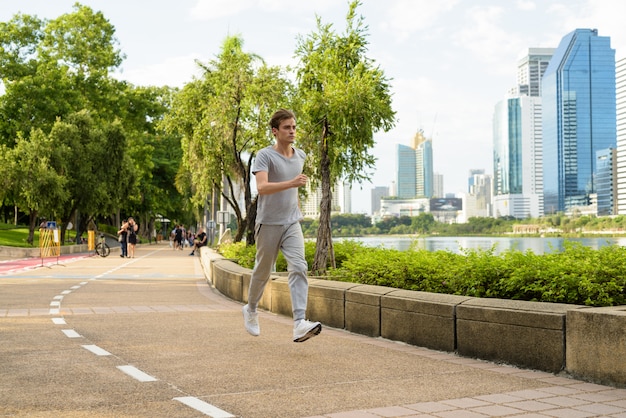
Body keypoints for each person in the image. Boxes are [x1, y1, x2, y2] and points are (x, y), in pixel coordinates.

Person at [242, 109, 322, 343]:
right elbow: (263, 188)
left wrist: (296, 207)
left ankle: (299, 323)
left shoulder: (301, 156)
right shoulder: (265, 156)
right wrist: (292, 183)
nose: (292, 131)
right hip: (268, 222)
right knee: (263, 271)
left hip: (291, 222)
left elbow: (293, 189)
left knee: (299, 266)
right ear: (275, 131)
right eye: (287, 127)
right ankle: (251, 309)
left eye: (294, 127)